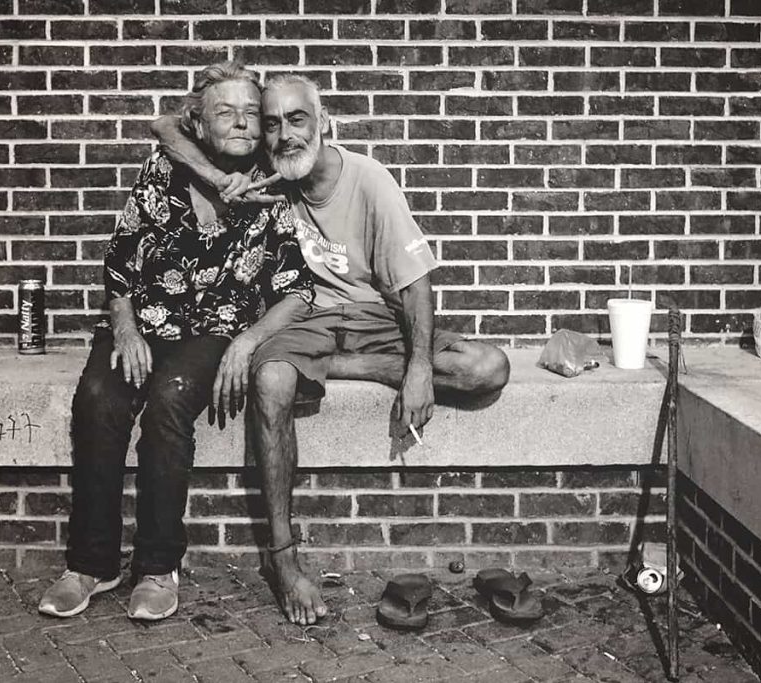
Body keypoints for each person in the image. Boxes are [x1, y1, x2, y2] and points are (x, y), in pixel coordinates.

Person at [151, 73, 510, 626]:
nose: (284, 135)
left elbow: (416, 283)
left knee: (487, 367)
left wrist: (416, 371)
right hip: (304, 317)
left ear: (325, 125)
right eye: (272, 124)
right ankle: (283, 558)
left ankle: (347, 367)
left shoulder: (369, 180)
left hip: (372, 319)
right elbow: (165, 127)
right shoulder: (262, 175)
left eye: (297, 120)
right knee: (271, 381)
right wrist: (214, 177)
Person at [39, 61, 313, 622]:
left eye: (248, 114)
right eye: (224, 113)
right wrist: (124, 327)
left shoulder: (272, 188)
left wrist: (246, 342)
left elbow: (298, 288)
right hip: (141, 323)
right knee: (98, 399)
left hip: (210, 332)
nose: (240, 124)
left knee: (169, 403)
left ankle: (158, 566)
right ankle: (91, 564)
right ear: (198, 125)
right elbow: (118, 259)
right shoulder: (163, 169)